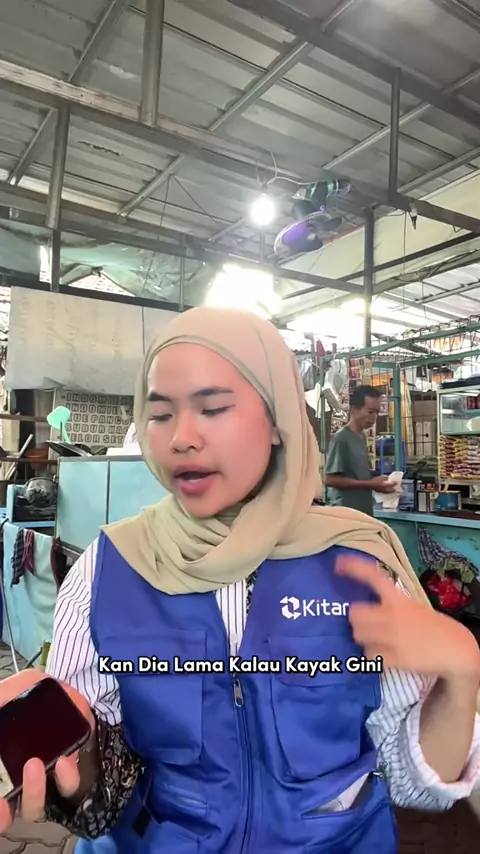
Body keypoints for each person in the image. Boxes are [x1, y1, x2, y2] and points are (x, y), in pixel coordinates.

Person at [0, 307, 479, 854]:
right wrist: (76, 764)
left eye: (213, 408)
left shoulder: (360, 564)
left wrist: (461, 674)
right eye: (160, 414)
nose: (181, 438)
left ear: (277, 419)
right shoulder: (109, 568)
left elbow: (414, 783)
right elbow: (102, 792)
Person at [324, 385, 396, 515]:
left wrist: (379, 483)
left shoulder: (361, 437)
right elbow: (330, 479)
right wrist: (371, 484)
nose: (374, 418)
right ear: (354, 410)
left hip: (363, 510)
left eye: (376, 412)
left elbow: (357, 476)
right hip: (346, 512)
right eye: (370, 412)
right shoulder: (341, 438)